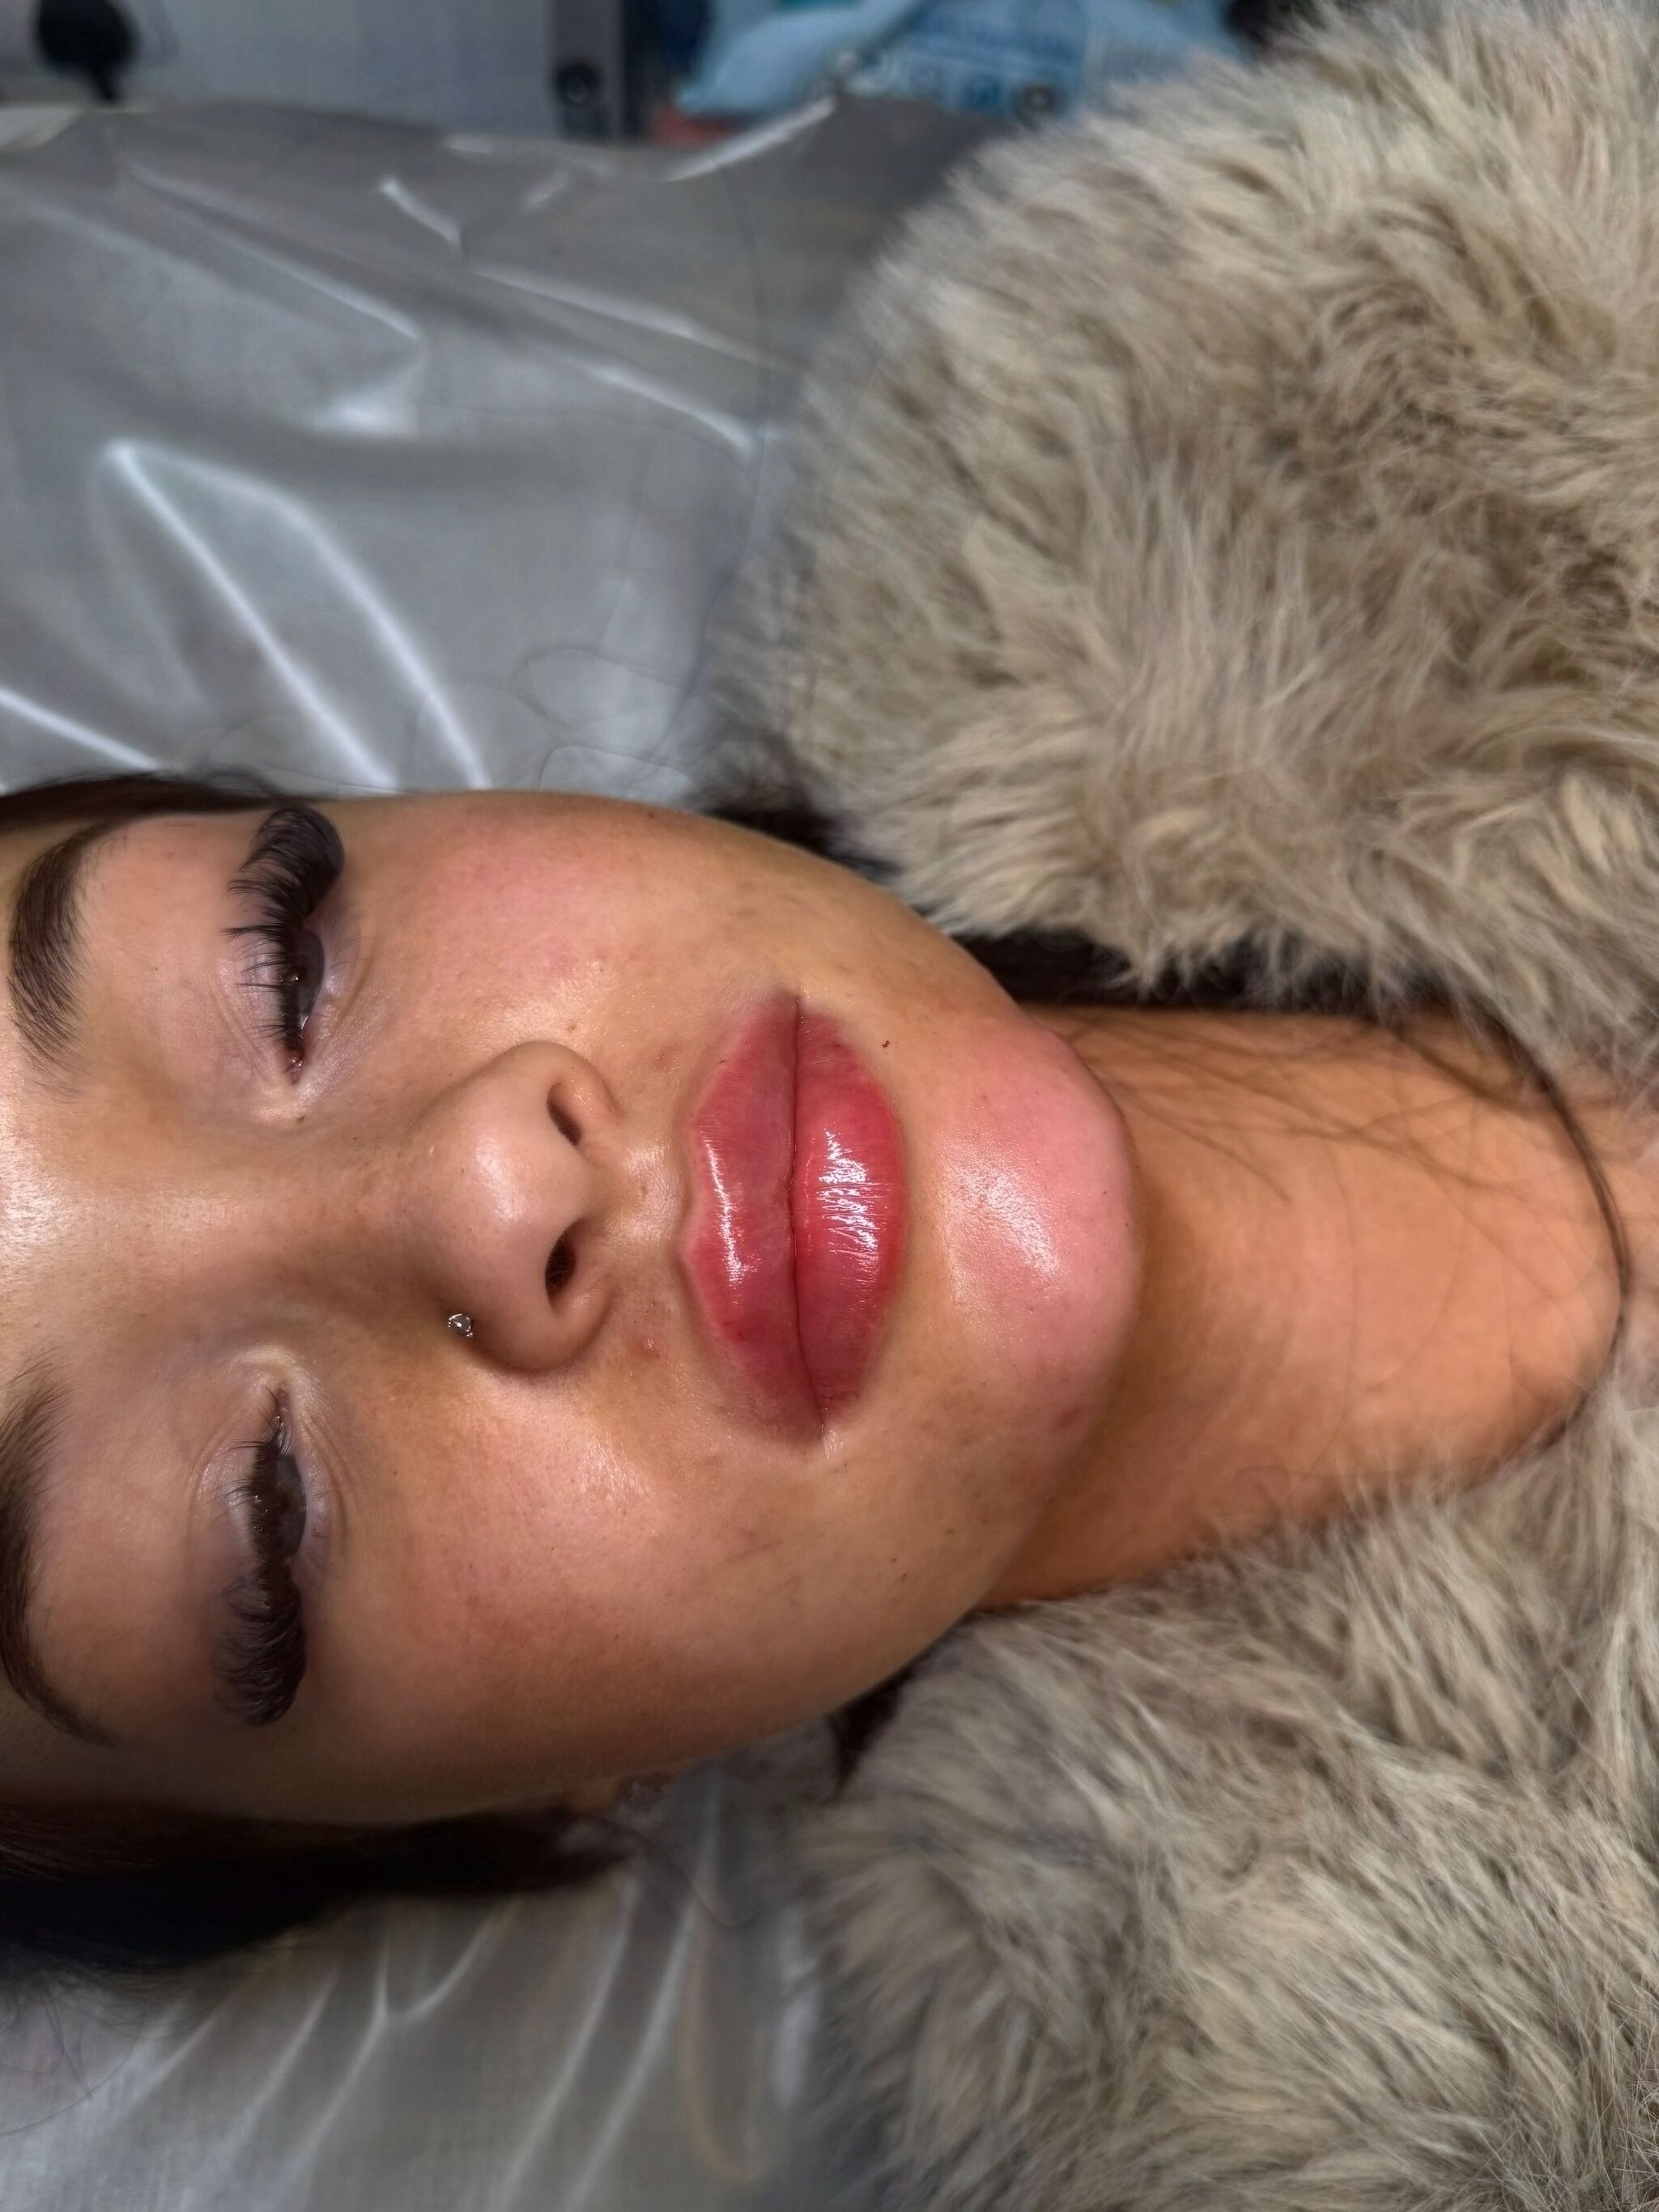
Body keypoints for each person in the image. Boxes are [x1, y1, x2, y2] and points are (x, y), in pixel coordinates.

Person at [7, 0, 1659, 2201]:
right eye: (260, 1527)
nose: (488, 1182)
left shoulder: (1416, 251)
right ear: (499, 1804)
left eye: (277, 958)